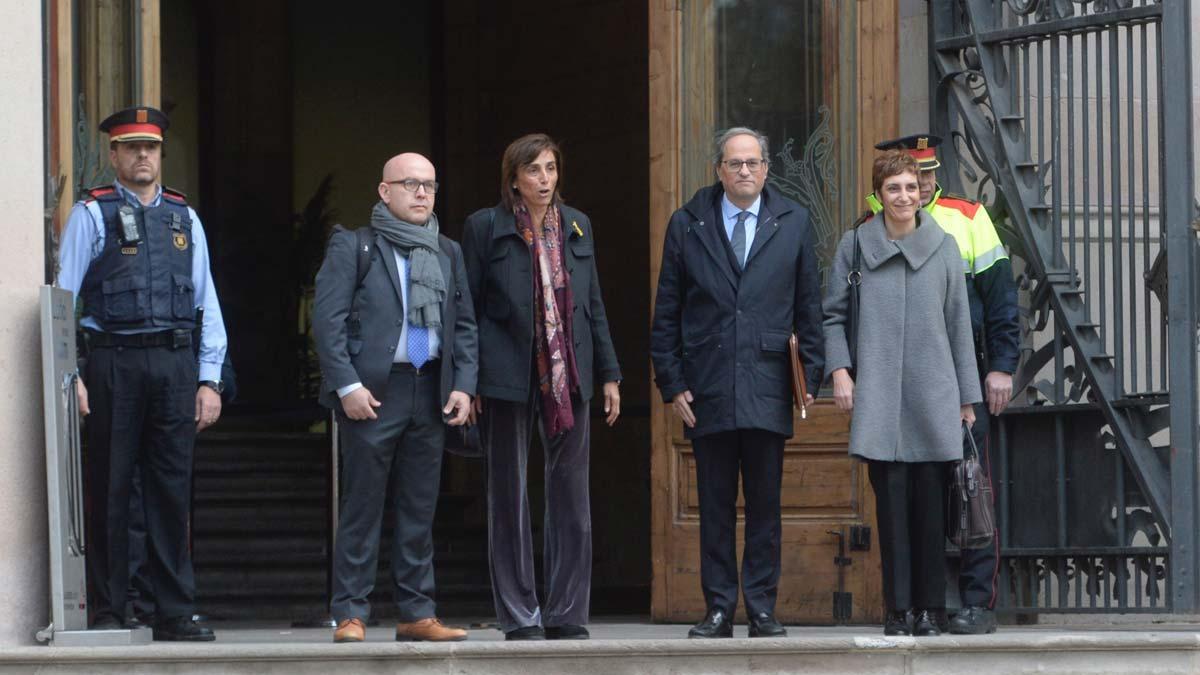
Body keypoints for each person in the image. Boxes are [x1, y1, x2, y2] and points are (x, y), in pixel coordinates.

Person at [56, 106, 226, 641]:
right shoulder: (90, 215)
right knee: (110, 486)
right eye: (131, 147)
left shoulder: (184, 217)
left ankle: (173, 609)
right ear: (114, 155)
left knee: (171, 491)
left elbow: (208, 305)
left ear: (161, 154)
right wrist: (72, 375)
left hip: (174, 364)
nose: (142, 156)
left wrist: (210, 378)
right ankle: (110, 608)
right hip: (112, 363)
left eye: (150, 147)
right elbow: (63, 301)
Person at [650, 126, 824, 639]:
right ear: (719, 170)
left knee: (766, 507)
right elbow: (667, 312)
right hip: (707, 384)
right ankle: (719, 609)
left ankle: (763, 607)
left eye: (752, 163)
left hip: (769, 380)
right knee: (716, 507)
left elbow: (809, 305)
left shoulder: (793, 220)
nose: (744, 170)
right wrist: (672, 380)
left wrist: (809, 374)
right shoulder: (688, 223)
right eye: (734, 163)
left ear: (767, 168)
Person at [461, 133, 622, 641]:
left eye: (551, 169)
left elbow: (592, 302)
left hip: (568, 373)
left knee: (571, 494)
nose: (544, 180)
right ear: (514, 178)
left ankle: (567, 611)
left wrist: (610, 373)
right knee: (508, 493)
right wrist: (469, 380)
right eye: (533, 170)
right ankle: (519, 613)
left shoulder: (578, 226)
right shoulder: (485, 228)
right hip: (505, 373)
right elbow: (466, 310)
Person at [313, 153, 477, 643]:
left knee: (419, 507)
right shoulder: (355, 246)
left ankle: (416, 612)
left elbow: (464, 325)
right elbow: (328, 322)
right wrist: (347, 387)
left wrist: (464, 384)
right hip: (372, 394)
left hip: (430, 390)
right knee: (363, 506)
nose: (422, 193)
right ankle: (351, 613)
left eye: (429, 185)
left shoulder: (447, 251)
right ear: (385, 191)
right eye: (410, 184)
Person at [824, 150, 983, 636]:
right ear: (878, 194)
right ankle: (898, 611)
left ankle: (932, 609)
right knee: (891, 507)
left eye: (912, 187)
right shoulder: (854, 246)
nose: (904, 197)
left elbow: (960, 325)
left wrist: (966, 397)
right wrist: (840, 372)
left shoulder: (945, 247)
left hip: (934, 393)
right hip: (877, 395)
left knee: (931, 508)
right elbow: (831, 315)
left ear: (926, 193)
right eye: (893, 188)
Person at [868, 134, 1019, 634]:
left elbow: (1000, 295)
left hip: (963, 373)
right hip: (896, 384)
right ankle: (912, 603)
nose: (922, 184)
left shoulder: (969, 216)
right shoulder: (870, 226)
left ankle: (976, 600)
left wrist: (1000, 365)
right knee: (911, 497)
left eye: (928, 173)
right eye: (912, 174)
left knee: (970, 486)